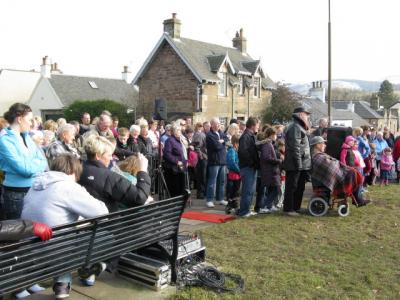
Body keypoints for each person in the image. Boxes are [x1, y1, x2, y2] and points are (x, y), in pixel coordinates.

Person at [21, 154, 109, 298]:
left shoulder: (36, 184)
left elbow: (54, 211)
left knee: (64, 236)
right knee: (108, 237)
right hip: (55, 250)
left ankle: (62, 284)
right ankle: (82, 274)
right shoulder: (68, 186)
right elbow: (102, 212)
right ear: (73, 171)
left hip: (30, 247)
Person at [79, 135, 151, 212]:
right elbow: (139, 198)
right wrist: (143, 171)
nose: (111, 158)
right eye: (109, 155)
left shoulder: (77, 169)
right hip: (108, 221)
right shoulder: (109, 177)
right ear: (98, 156)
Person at [0, 103, 48, 220]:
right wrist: (35, 165)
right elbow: (24, 170)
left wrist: (32, 165)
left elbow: (44, 161)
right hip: (16, 195)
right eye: (30, 120)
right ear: (20, 119)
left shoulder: (26, 136)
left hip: (33, 190)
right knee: (20, 235)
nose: (32, 123)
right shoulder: (4, 140)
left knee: (34, 230)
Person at [310, 136, 370, 206]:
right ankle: (358, 199)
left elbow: (332, 164)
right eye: (323, 143)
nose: (325, 145)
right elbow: (331, 167)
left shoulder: (319, 155)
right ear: (317, 145)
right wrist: (341, 167)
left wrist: (340, 166)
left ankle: (358, 199)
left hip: (336, 174)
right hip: (335, 178)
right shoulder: (318, 157)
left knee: (355, 173)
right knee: (355, 174)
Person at [283, 107, 312, 216]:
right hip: (295, 164)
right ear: (300, 114)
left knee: (300, 187)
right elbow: (295, 147)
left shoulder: (300, 126)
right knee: (292, 187)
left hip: (302, 163)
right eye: (306, 114)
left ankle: (296, 207)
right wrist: (299, 164)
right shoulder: (295, 127)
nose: (307, 116)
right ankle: (289, 209)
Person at [237, 116, 260, 217]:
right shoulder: (246, 136)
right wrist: (252, 162)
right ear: (253, 125)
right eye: (258, 125)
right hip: (247, 167)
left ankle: (247, 209)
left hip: (251, 167)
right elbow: (243, 152)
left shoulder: (250, 135)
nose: (258, 127)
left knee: (251, 190)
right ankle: (243, 211)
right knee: (247, 190)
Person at [205, 118, 228, 208]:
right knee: (212, 181)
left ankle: (220, 198)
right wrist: (223, 143)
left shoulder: (221, 132)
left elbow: (226, 138)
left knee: (222, 181)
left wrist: (222, 141)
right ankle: (209, 200)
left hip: (222, 160)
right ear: (212, 125)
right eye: (216, 124)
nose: (218, 125)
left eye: (219, 124)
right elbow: (216, 146)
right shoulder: (210, 135)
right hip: (214, 161)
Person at [259, 127, 282, 213]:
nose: (276, 136)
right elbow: (266, 157)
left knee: (273, 189)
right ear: (271, 135)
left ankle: (269, 205)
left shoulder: (269, 143)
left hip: (272, 170)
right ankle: (264, 206)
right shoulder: (267, 144)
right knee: (276, 189)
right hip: (269, 171)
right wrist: (278, 161)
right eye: (275, 134)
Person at [163, 124, 187, 197]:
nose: (180, 132)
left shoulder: (180, 140)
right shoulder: (169, 141)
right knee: (175, 188)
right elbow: (167, 154)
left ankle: (181, 203)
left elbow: (183, 152)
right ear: (174, 131)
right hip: (173, 168)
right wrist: (176, 161)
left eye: (180, 130)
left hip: (181, 167)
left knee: (182, 186)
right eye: (178, 130)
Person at [226, 134, 241, 214]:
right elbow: (232, 163)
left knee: (235, 192)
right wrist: (239, 170)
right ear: (236, 143)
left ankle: (233, 206)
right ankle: (233, 206)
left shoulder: (235, 151)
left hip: (237, 175)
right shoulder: (232, 151)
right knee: (234, 192)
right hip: (233, 175)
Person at [192, 122, 207, 199]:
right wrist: (202, 156)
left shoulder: (197, 134)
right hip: (201, 158)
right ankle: (201, 193)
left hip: (200, 157)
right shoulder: (199, 134)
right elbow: (197, 147)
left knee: (201, 176)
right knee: (202, 176)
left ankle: (201, 193)